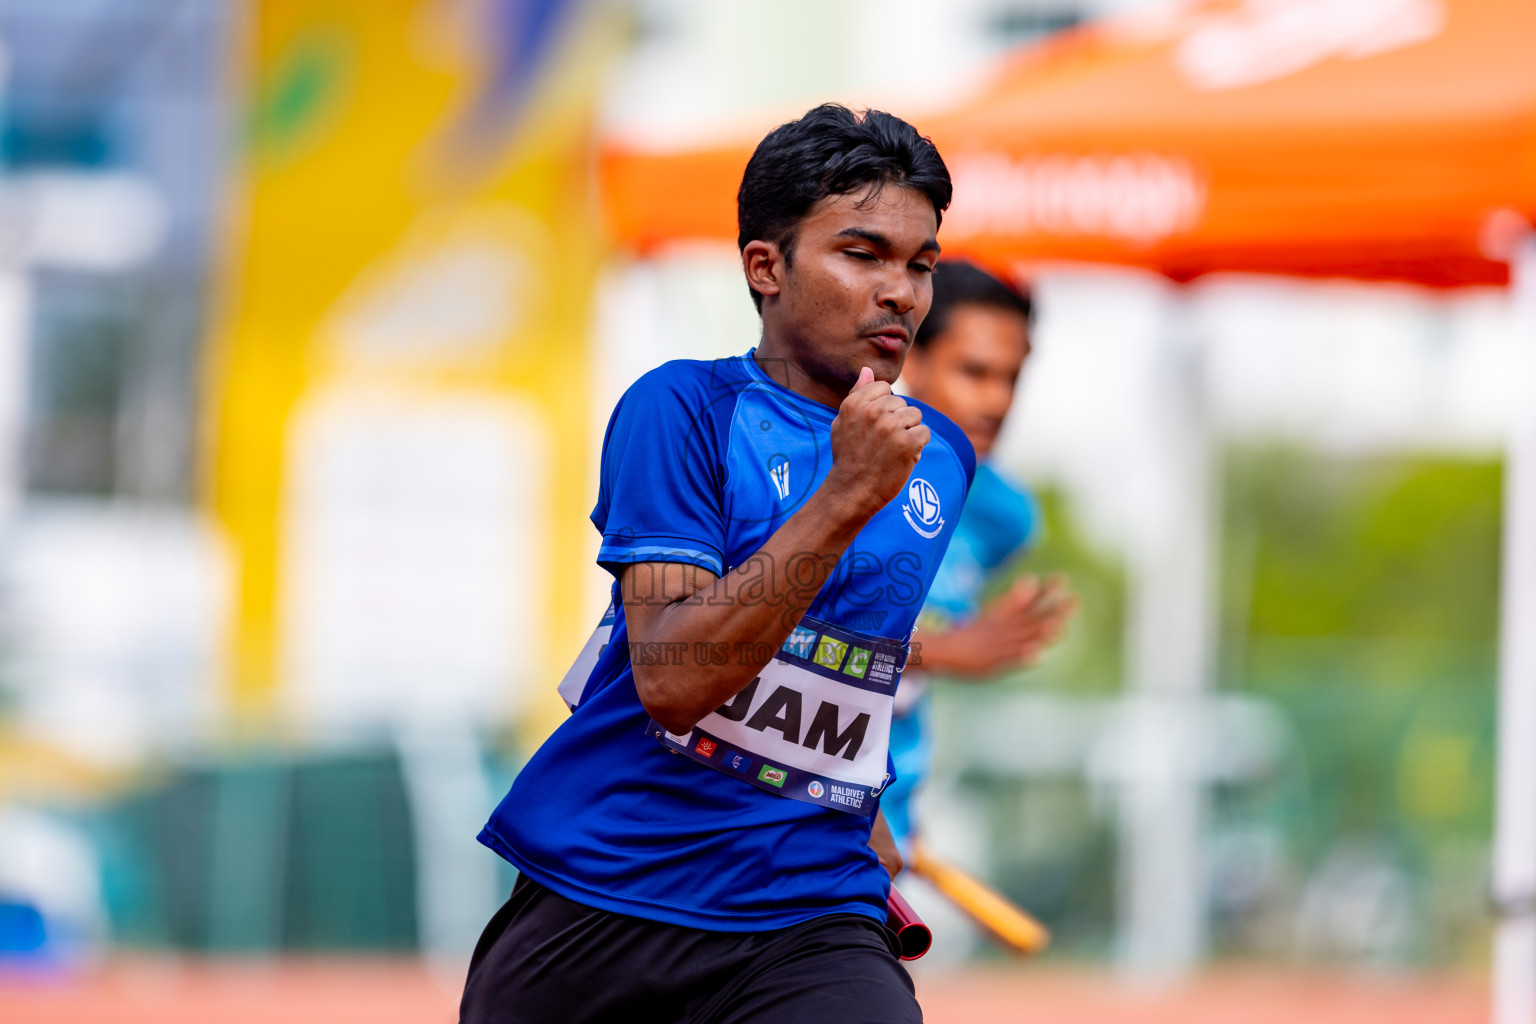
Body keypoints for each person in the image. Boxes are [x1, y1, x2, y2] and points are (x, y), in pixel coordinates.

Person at [461, 105, 972, 1024]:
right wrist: (845, 496)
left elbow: (852, 657)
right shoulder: (681, 410)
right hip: (607, 900)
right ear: (765, 268)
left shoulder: (940, 459)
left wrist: (871, 812)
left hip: (811, 912)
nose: (901, 291)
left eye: (921, 263)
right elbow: (670, 679)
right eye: (863, 254)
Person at [883, 261, 1078, 853]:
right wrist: (940, 650)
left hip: (891, 820)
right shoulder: (846, 472)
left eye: (1011, 378)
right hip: (790, 808)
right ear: (909, 359)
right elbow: (783, 636)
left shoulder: (1005, 517)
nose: (996, 400)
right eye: (974, 371)